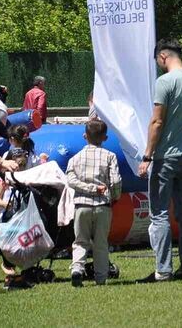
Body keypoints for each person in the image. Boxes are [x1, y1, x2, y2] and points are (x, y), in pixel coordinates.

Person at [137, 39, 182, 283]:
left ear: (163, 57)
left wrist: (147, 155)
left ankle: (163, 270)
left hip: (166, 157)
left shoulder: (164, 82)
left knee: (160, 214)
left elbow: (157, 122)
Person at [67, 119, 122, 287]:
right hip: (102, 206)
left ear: (85, 136)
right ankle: (100, 277)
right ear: (105, 138)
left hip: (81, 205)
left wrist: (88, 188)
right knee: (101, 242)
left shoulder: (75, 158)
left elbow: (70, 180)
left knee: (80, 241)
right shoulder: (110, 156)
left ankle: (77, 269)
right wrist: (114, 196)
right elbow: (116, 180)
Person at [0, 146, 33, 289]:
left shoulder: (24, 180)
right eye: (17, 165)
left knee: (23, 244)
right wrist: (6, 204)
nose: (19, 168)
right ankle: (8, 268)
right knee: (7, 245)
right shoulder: (4, 181)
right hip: (6, 219)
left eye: (22, 165)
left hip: (21, 220)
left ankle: (25, 273)